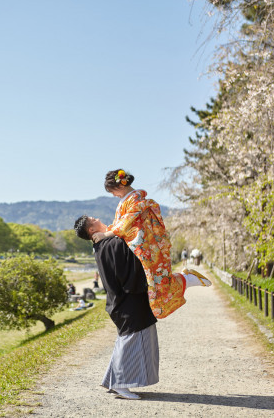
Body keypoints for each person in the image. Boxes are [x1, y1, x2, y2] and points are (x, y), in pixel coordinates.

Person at [90, 169, 211, 319]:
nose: (113, 195)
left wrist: (105, 234)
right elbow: (120, 225)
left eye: (113, 191)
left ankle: (187, 279)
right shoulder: (130, 199)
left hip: (146, 248)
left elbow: (126, 224)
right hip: (143, 247)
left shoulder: (135, 200)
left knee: (156, 283)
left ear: (120, 186)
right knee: (156, 283)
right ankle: (186, 278)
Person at [74, 215, 159, 400]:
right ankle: (121, 384)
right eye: (93, 219)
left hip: (121, 301)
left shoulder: (103, 244)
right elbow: (131, 254)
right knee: (130, 342)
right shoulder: (109, 244)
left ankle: (112, 381)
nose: (97, 218)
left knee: (126, 340)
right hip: (127, 300)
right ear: (91, 230)